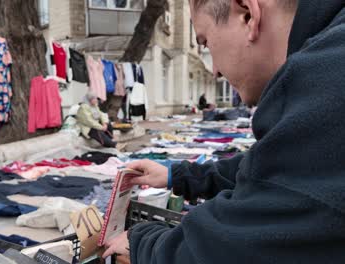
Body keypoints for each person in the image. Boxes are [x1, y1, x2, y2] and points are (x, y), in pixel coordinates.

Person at [103, 0, 345, 263]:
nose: (216, 70)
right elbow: (279, 169)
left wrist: (141, 243)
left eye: (205, 41)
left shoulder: (327, 80)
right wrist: (179, 175)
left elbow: (233, 245)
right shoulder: (327, 63)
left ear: (248, 14)